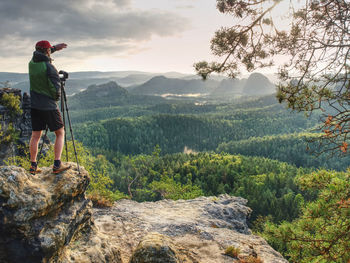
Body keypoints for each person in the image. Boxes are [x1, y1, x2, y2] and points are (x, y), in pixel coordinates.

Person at [28, 40, 71, 175]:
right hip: (48, 106)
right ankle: (57, 164)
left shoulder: (32, 63)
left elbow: (40, 55)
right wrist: (56, 97)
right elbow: (56, 90)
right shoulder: (49, 67)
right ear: (46, 51)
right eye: (49, 50)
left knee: (35, 135)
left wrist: (54, 48)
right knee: (60, 132)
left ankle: (33, 166)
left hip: (34, 105)